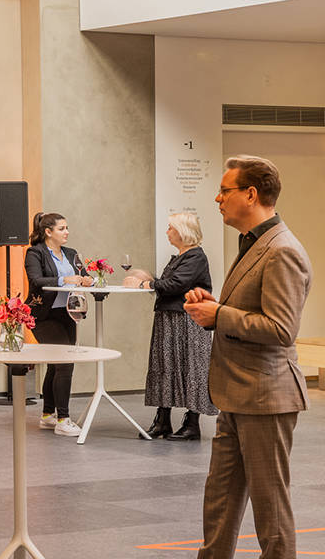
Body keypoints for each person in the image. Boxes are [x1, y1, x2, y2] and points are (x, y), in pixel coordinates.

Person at [185, 155, 311, 559]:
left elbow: (280, 329)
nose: (217, 198)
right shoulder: (256, 243)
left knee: (271, 512)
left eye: (225, 190)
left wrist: (219, 314)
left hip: (265, 397)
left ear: (251, 194)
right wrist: (215, 307)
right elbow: (251, 312)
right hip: (237, 393)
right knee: (219, 503)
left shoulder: (282, 250)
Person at [123, 212, 217, 440]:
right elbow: (169, 284)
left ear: (182, 231)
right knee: (166, 367)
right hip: (169, 320)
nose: (167, 232)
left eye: (170, 228)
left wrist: (147, 283)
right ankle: (162, 420)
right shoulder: (179, 257)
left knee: (191, 368)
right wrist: (149, 280)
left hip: (188, 322)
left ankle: (192, 424)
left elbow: (176, 284)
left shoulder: (196, 256)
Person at [24, 212, 94, 438]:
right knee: (65, 363)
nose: (67, 232)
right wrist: (65, 279)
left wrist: (88, 279)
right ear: (48, 232)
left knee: (56, 365)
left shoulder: (71, 254)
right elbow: (36, 281)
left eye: (67, 228)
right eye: (62, 228)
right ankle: (63, 419)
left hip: (68, 314)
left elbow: (83, 274)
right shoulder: (35, 253)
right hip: (43, 316)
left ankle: (47, 416)